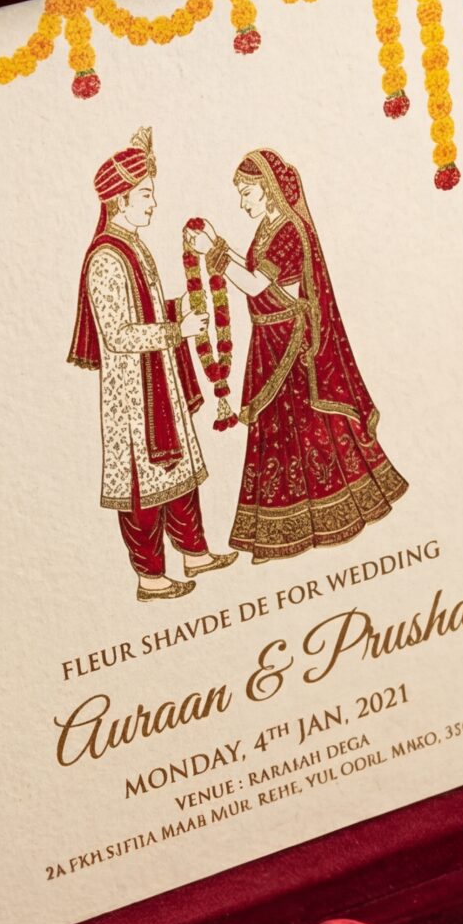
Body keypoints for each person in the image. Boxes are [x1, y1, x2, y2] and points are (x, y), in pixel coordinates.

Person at [185, 150, 405, 562]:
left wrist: (214, 253)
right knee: (280, 434)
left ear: (268, 190)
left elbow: (255, 285)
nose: (242, 202)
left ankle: (320, 521)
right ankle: (281, 532)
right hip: (271, 338)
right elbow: (257, 275)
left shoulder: (288, 229)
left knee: (299, 430)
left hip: (290, 344)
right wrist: (217, 245)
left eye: (247, 192)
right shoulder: (270, 226)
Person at [69, 129, 236, 602]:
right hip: (132, 396)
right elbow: (117, 335)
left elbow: (146, 309)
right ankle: (150, 578)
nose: (154, 204)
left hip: (157, 380)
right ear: (120, 199)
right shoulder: (106, 258)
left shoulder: (134, 245)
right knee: (142, 488)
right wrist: (176, 331)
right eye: (146, 195)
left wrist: (180, 307)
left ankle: (195, 553)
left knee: (179, 470)